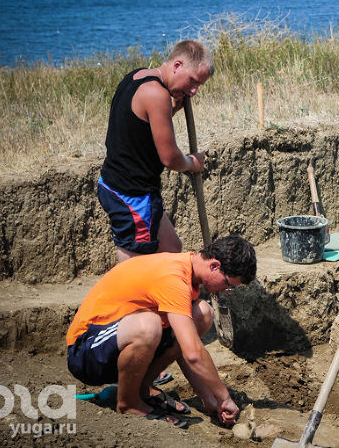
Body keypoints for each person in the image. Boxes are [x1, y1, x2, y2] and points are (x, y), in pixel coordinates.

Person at [65, 235, 256, 428]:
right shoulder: (174, 278)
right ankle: (128, 403)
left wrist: (209, 399)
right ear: (214, 266)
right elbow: (193, 354)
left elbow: (183, 347)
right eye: (228, 285)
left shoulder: (187, 271)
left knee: (202, 313)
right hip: (86, 351)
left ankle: (142, 388)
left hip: (119, 344)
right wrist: (224, 398)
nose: (226, 291)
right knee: (149, 325)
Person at [97, 39, 214, 265]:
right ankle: (134, 300)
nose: (193, 91)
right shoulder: (157, 95)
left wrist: (170, 111)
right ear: (177, 65)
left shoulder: (138, 77)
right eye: (192, 81)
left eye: (198, 85)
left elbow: (139, 129)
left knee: (171, 248)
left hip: (118, 183)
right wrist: (191, 163)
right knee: (134, 266)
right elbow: (170, 158)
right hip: (131, 194)